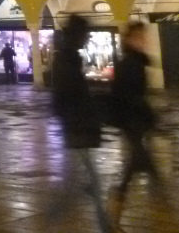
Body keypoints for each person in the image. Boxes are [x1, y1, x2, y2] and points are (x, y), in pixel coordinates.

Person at [51, 14, 112, 233]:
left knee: (85, 181)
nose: (86, 38)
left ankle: (104, 224)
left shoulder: (68, 57)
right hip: (76, 125)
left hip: (76, 124)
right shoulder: (67, 59)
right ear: (77, 35)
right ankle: (53, 219)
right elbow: (68, 95)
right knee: (84, 182)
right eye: (85, 34)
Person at [108, 21, 159, 228]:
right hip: (131, 120)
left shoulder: (136, 61)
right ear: (129, 39)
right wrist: (149, 115)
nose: (143, 40)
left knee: (138, 162)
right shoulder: (128, 63)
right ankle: (115, 206)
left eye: (143, 36)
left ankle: (116, 206)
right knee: (140, 161)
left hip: (136, 120)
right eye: (139, 37)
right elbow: (127, 96)